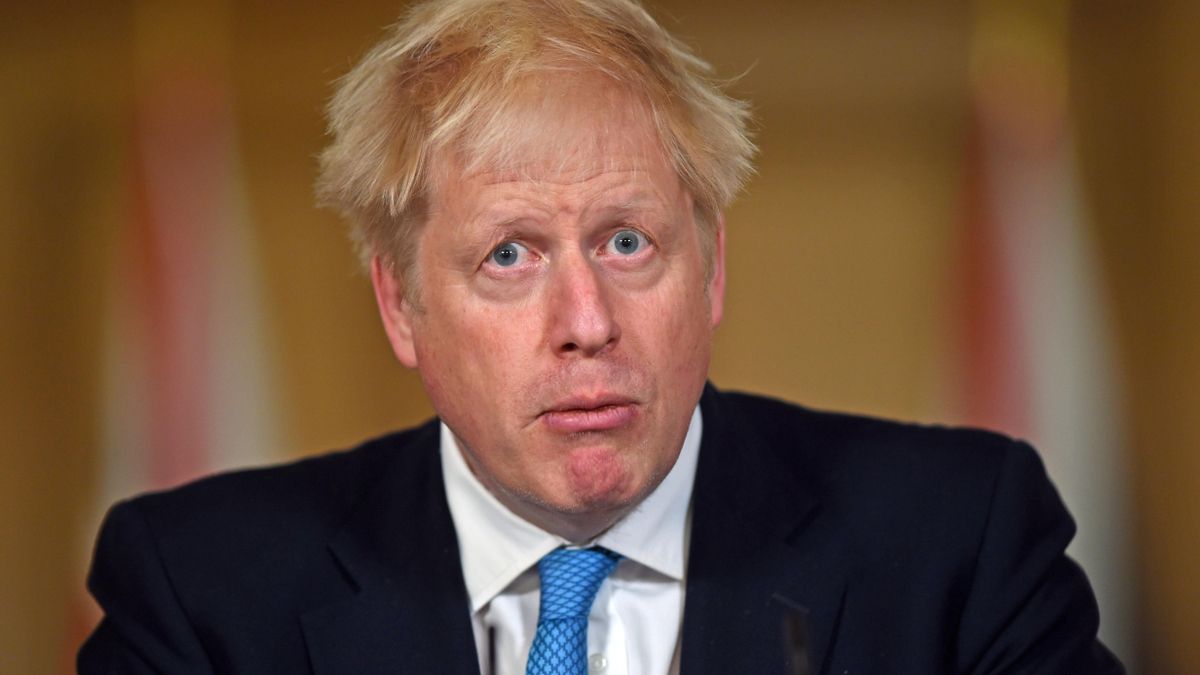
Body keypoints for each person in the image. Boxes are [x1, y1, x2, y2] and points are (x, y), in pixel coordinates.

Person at [78, 0, 1124, 673]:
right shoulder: (202, 595)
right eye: (509, 257)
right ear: (400, 305)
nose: (587, 325)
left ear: (711, 269)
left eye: (627, 243)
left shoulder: (959, 546)